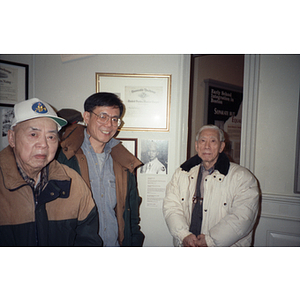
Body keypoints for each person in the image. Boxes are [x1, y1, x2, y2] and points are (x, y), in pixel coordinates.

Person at [0, 98, 103, 246]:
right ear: (12, 138)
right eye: (33, 135)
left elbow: (88, 241)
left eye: (51, 137)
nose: (43, 144)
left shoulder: (73, 181)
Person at [56, 92, 144, 247]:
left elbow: (132, 216)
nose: (109, 124)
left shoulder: (123, 162)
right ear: (87, 117)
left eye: (114, 119)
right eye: (103, 116)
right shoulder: (64, 158)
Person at [163, 124, 260, 247]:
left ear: (221, 146)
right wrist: (183, 235)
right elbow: (171, 206)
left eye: (213, 141)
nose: (207, 146)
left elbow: (243, 217)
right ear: (196, 146)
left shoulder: (242, 177)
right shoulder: (181, 174)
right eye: (203, 141)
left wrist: (210, 241)